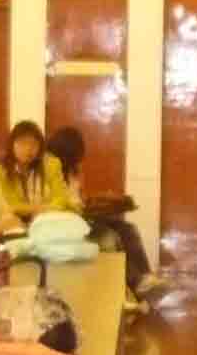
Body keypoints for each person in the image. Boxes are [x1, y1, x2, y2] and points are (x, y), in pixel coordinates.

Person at [49, 125, 166, 303]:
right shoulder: (50, 171)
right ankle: (132, 285)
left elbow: (80, 199)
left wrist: (101, 202)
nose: (79, 158)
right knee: (110, 238)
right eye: (76, 153)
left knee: (128, 229)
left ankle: (145, 277)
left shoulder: (74, 171)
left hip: (82, 218)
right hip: (67, 224)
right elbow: (59, 204)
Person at [0, 120, 73, 222]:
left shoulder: (51, 164)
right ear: (11, 144)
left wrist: (34, 210)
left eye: (34, 144)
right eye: (22, 143)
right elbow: (11, 205)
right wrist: (41, 208)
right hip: (17, 223)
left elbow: (61, 199)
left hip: (49, 221)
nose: (28, 149)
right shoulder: (2, 171)